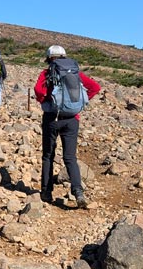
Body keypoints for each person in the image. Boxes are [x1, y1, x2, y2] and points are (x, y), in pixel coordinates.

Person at [33, 45, 101, 209]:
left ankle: (46, 192)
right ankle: (78, 192)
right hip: (72, 119)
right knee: (70, 157)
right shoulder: (75, 73)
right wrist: (79, 103)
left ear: (49, 58)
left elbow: (38, 91)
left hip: (52, 118)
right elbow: (95, 87)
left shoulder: (47, 73)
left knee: (48, 155)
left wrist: (46, 102)